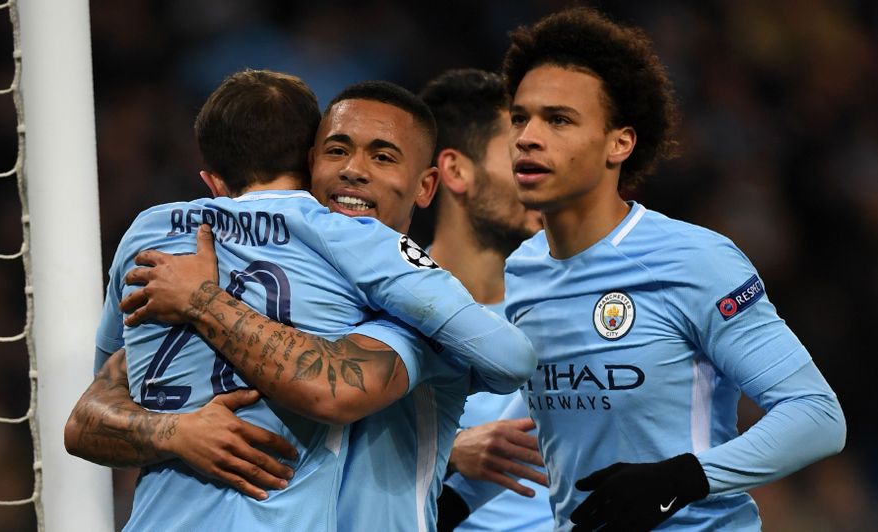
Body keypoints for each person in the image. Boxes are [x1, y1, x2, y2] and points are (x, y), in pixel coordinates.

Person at [68, 69, 536, 531]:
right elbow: (88, 416)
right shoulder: (267, 276)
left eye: (383, 157)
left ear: (425, 185)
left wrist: (203, 301)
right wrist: (176, 432)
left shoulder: (419, 319)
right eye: (337, 150)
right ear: (307, 164)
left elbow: (329, 392)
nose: (354, 169)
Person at [498, 7, 846, 531]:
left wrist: (681, 479)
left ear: (621, 142)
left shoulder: (694, 259)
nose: (528, 136)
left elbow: (817, 415)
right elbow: (545, 423)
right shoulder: (523, 271)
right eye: (520, 117)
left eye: (559, 119)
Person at [416, 69, 553, 532]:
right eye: (518, 157)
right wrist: (449, 452)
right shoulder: (392, 311)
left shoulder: (569, 308)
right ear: (455, 170)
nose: (537, 174)